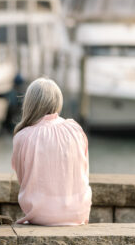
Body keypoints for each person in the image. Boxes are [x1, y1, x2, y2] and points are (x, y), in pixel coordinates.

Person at [11, 77, 91, 225]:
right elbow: (84, 172)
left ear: (29, 103)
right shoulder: (76, 129)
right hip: (79, 213)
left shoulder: (22, 136)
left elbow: (23, 179)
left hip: (40, 216)